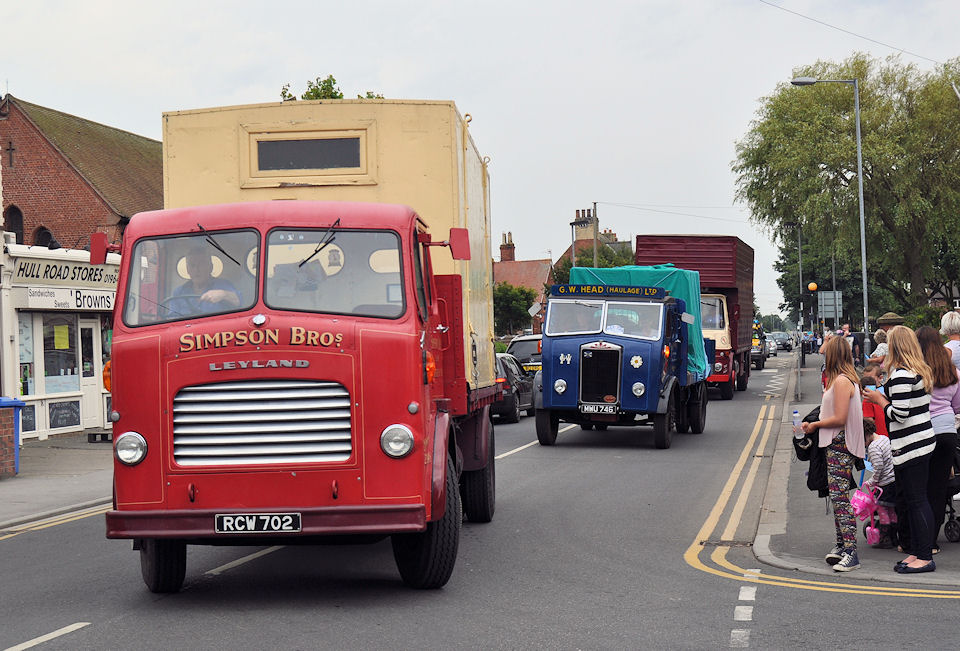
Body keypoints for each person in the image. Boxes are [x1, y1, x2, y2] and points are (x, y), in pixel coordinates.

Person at [863, 325, 937, 573]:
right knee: (915, 502)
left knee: (917, 502)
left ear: (895, 346)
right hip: (920, 442)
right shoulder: (919, 371)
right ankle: (916, 551)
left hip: (910, 447)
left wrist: (879, 400)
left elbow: (900, 415)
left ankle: (924, 557)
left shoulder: (902, 375)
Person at [801, 334, 865, 572]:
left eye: (827, 352)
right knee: (837, 497)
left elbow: (839, 418)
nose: (824, 356)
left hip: (840, 443)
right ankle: (841, 546)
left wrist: (815, 425)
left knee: (840, 499)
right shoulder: (841, 379)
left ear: (834, 355)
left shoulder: (841, 382)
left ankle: (851, 552)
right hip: (836, 442)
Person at [916, 325, 960, 553]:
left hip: (922, 431)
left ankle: (921, 539)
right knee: (939, 488)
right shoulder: (953, 372)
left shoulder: (917, 372)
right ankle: (932, 540)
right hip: (947, 432)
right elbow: (957, 406)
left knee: (919, 488)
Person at [166, 247, 240, 316]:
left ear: (211, 267)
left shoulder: (223, 285)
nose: (196, 270)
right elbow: (172, 318)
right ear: (187, 270)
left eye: (201, 264)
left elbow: (239, 301)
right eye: (192, 265)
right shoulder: (179, 292)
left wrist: (223, 294)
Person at [863, 417, 897, 548]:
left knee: (882, 511)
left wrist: (872, 481)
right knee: (892, 510)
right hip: (893, 480)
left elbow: (878, 468)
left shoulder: (873, 447)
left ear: (866, 434)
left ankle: (885, 539)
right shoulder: (884, 438)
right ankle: (894, 537)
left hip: (884, 484)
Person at [860, 364, 888, 437]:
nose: (866, 382)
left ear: (880, 378)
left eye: (870, 379)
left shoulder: (868, 399)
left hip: (878, 437)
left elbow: (868, 422)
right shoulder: (888, 392)